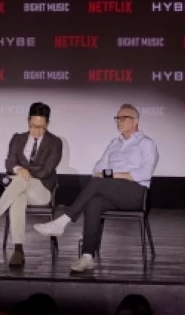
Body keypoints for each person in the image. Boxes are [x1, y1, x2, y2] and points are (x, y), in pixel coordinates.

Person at [34, 103, 158, 273]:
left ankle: (62, 222)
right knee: (94, 203)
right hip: (112, 192)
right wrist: (109, 175)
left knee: (98, 183)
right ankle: (87, 257)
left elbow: (145, 173)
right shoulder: (114, 143)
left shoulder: (146, 143)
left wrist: (112, 174)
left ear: (135, 121)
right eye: (117, 118)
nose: (118, 122)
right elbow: (97, 169)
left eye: (123, 118)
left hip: (135, 193)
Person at [0, 102, 62, 267]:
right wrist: (18, 168)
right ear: (28, 121)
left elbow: (47, 170)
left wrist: (23, 171)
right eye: (33, 126)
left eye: (41, 127)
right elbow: (9, 162)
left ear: (48, 124)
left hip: (41, 191)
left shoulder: (55, 142)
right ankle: (18, 250)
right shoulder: (18, 138)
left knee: (20, 178)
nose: (36, 131)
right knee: (18, 198)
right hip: (20, 189)